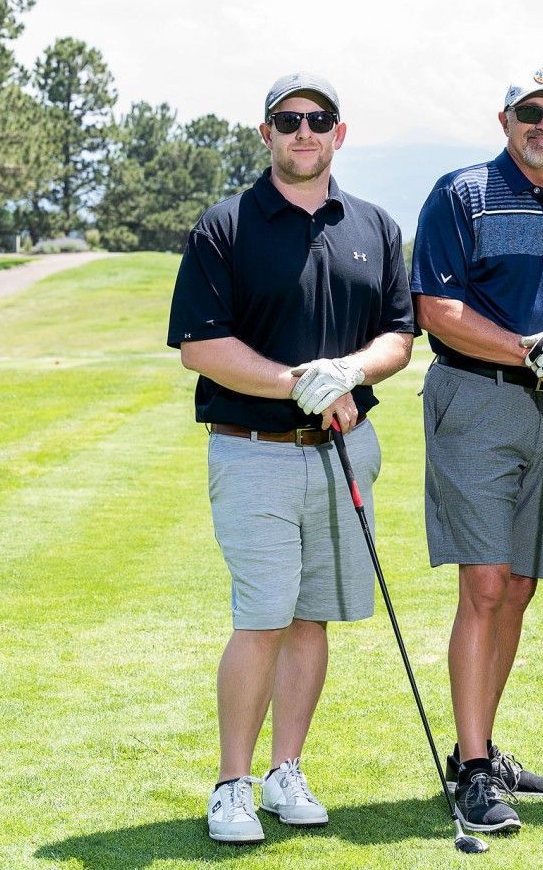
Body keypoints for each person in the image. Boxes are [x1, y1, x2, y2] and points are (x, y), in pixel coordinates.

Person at [168, 71, 417, 843]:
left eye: (319, 120)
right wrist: (300, 384)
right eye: (287, 120)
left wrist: (352, 371)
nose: (303, 132)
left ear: (339, 134)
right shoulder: (226, 225)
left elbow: (399, 336)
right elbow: (200, 347)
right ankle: (231, 785)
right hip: (255, 453)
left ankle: (285, 771)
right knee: (263, 616)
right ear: (266, 134)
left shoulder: (373, 224)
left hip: (346, 450)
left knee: (313, 619)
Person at [409, 66, 543, 833]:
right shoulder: (462, 194)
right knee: (486, 584)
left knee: (522, 585)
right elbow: (438, 307)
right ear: (505, 119)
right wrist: (533, 350)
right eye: (532, 111)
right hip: (477, 401)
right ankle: (470, 769)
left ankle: (481, 752)